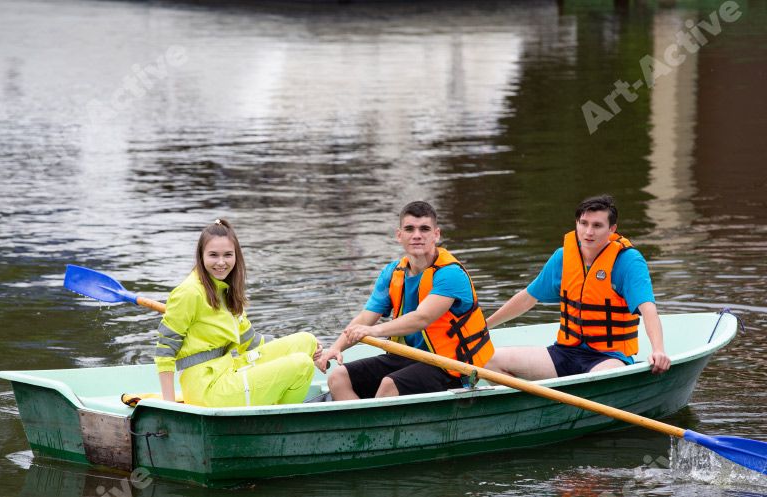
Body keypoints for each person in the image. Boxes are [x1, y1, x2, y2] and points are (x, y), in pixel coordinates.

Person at [315, 201, 494, 400]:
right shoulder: (392, 273)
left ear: (436, 234)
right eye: (409, 229)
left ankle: (374, 428)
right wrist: (336, 347)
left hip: (450, 366)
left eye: (424, 229)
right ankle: (361, 427)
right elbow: (366, 317)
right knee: (338, 377)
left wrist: (374, 331)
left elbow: (421, 318)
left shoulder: (450, 274)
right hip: (409, 358)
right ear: (399, 235)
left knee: (389, 385)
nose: (417, 235)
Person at [484, 194, 670, 379]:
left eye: (597, 225)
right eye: (584, 223)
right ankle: (530, 404)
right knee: (486, 360)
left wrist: (658, 350)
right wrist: (484, 327)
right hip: (564, 352)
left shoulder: (628, 261)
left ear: (612, 229)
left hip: (608, 357)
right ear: (576, 223)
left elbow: (648, 309)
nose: (588, 232)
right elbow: (527, 298)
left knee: (599, 379)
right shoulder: (563, 257)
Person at [155, 218, 320, 407]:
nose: (221, 262)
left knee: (307, 341)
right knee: (301, 365)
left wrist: (313, 351)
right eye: (213, 255)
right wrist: (168, 405)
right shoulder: (189, 292)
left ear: (236, 256)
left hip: (228, 369)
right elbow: (165, 351)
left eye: (227, 255)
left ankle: (275, 400)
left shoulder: (226, 290)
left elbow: (250, 342)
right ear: (201, 256)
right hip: (207, 388)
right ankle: (280, 422)